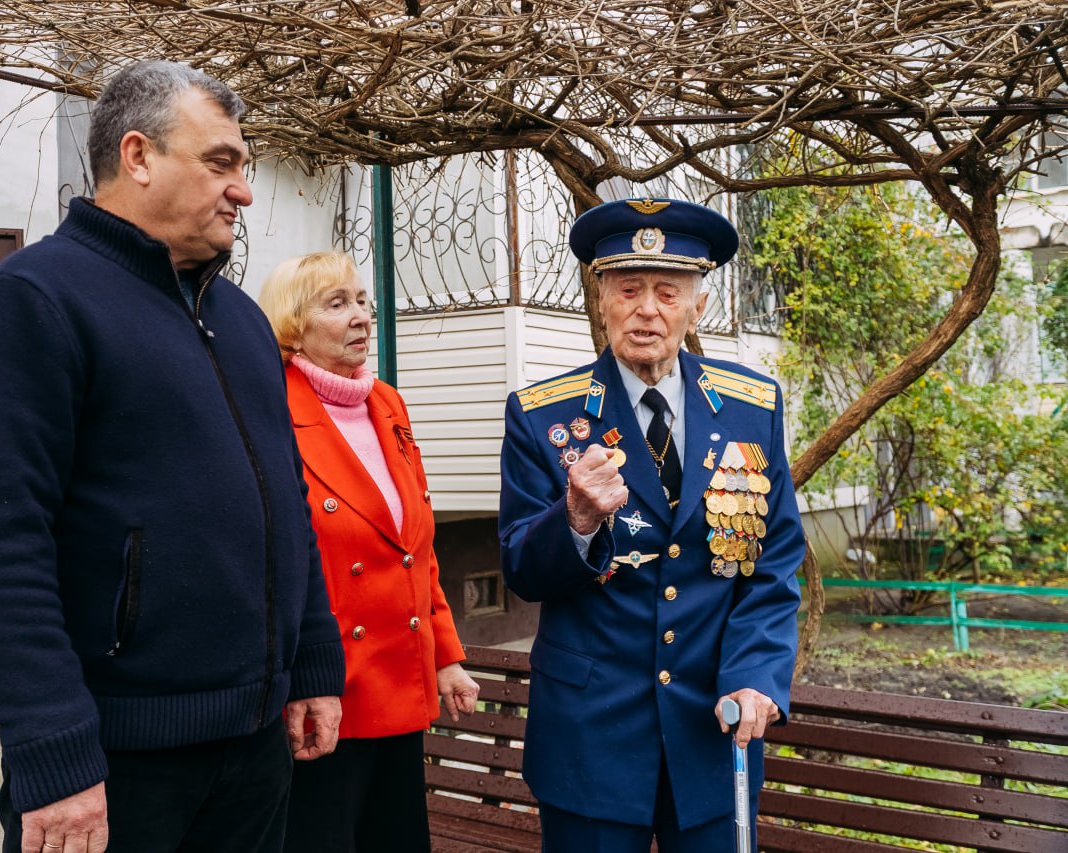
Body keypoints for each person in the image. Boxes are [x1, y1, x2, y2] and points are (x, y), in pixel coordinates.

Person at [0, 61, 345, 853]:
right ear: (138, 156)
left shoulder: (243, 321)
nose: (245, 191)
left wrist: (313, 660)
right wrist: (53, 750)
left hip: (254, 747)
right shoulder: (31, 304)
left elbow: (287, 505)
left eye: (244, 167)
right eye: (221, 162)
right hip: (115, 764)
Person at [498, 198, 804, 850]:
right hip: (590, 736)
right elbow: (522, 570)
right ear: (601, 296)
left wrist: (756, 673)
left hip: (713, 730)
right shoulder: (540, 416)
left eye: (668, 291)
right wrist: (574, 517)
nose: (647, 309)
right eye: (628, 288)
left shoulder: (753, 409)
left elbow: (772, 564)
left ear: (697, 304)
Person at [257, 251, 480, 853]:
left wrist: (445, 656)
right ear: (292, 325)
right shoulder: (269, 407)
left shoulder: (386, 403)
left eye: (362, 300)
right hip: (323, 693)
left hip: (398, 684)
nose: (360, 317)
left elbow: (416, 546)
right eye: (337, 304)